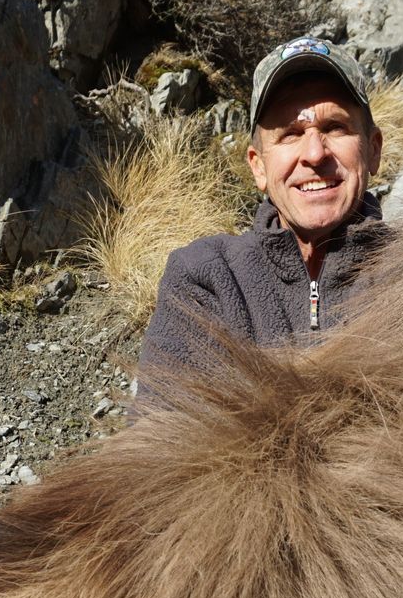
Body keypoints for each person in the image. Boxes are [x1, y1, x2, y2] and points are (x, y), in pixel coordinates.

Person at [136, 37, 389, 409]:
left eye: (335, 127)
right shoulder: (206, 277)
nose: (315, 153)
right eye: (290, 133)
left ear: (373, 150)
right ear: (258, 165)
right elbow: (157, 445)